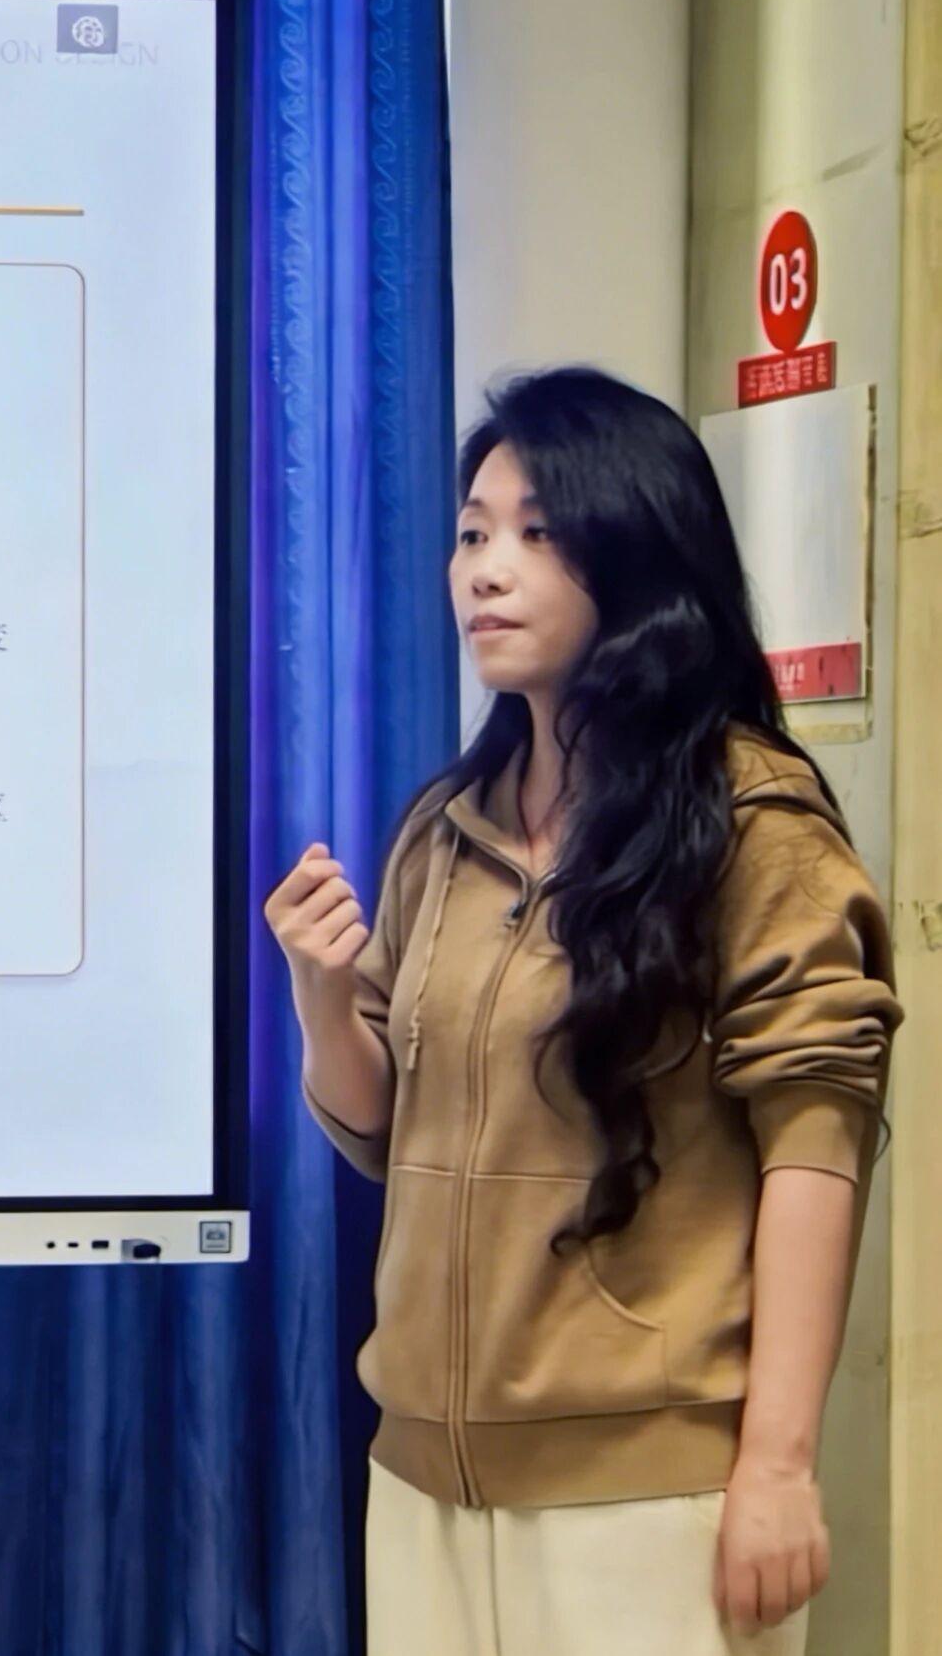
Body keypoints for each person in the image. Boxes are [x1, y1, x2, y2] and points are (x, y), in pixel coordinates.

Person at [265, 366, 902, 1656]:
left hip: (648, 1502)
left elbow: (815, 1148)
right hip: (426, 1486)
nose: (485, 571)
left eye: (538, 532)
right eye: (472, 533)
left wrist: (777, 1466)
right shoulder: (446, 829)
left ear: (636, 553)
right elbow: (383, 1132)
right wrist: (325, 998)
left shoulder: (752, 825)